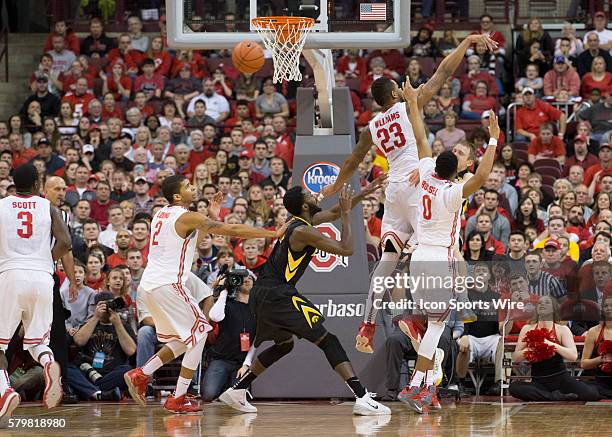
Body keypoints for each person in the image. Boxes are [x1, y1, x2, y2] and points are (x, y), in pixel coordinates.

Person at [319, 34, 498, 354]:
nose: (404, 90)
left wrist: (334, 186)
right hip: (418, 183)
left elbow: (352, 161)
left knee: (388, 260)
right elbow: (443, 72)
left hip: (393, 191)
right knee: (442, 247)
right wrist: (468, 41)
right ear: (393, 93)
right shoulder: (407, 106)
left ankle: (367, 324)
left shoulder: (371, 128)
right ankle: (442, 310)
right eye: (399, 88)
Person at [217, 179, 390, 416]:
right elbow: (347, 248)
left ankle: (238, 389)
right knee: (329, 341)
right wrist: (349, 216)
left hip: (263, 292)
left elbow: (335, 211)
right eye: (309, 194)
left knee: (284, 345)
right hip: (278, 293)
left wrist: (363, 194)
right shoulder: (303, 231)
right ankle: (361, 396)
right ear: (305, 206)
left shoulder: (298, 222)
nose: (313, 195)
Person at [123, 176, 287, 413]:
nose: (194, 187)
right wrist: (272, 233)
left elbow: (192, 237)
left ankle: (142, 374)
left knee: (184, 339)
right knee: (200, 334)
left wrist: (211, 214)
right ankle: (177, 397)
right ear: (178, 196)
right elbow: (230, 229)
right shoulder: (186, 216)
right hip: (169, 284)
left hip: (149, 286)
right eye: (188, 186)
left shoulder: (161, 214)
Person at [395, 82, 499, 414]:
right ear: (458, 168)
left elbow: (422, 136)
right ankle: (415, 384)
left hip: (417, 256)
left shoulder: (426, 172)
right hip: (441, 257)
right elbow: (482, 176)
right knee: (438, 326)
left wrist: (412, 102)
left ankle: (428, 385)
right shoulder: (454, 191)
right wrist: (494, 138)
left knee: (432, 325)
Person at [0, 164, 72, 418]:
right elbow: (66, 242)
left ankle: (5, 391)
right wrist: (43, 260)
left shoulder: (2, 205)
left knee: (0, 344)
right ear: (36, 184)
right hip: (42, 277)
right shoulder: (47, 206)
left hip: (10, 275)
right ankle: (49, 363)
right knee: (38, 340)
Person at [508, 296, 600, 402]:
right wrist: (530, 349)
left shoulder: (562, 329)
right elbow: (515, 357)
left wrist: (551, 344)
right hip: (538, 381)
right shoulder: (527, 328)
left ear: (553, 309)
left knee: (592, 394)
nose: (542, 304)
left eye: (546, 302)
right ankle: (554, 396)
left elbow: (573, 356)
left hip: (561, 379)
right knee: (514, 388)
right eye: (540, 303)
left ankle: (550, 396)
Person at [202, 271, 257, 401]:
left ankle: (226, 389)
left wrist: (246, 364)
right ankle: (222, 388)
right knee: (208, 394)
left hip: (241, 362)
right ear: (236, 282)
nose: (247, 279)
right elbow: (215, 316)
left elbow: (256, 341)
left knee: (238, 399)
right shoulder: (227, 304)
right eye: (243, 278)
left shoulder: (257, 309)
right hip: (221, 359)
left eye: (250, 277)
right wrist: (224, 290)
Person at [580, 295, 612, 399]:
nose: (609, 308)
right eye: (606, 306)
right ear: (602, 309)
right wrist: (601, 359)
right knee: (588, 392)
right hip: (600, 382)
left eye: (611, 305)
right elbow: (584, 364)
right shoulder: (593, 332)